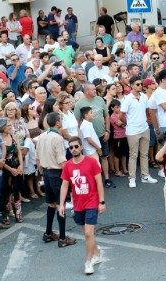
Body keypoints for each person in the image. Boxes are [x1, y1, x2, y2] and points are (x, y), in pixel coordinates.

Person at [58, 136, 105, 275]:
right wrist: (61, 204)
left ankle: (88, 262)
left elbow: (99, 183)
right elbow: (65, 185)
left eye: (76, 146)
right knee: (87, 235)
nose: (73, 149)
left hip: (92, 201)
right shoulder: (67, 165)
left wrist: (101, 202)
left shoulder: (91, 162)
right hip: (78, 204)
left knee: (88, 233)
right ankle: (96, 254)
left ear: (81, 147)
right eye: (71, 147)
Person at [36, 112, 77, 248]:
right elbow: (61, 161)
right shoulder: (57, 138)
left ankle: (48, 233)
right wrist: (70, 175)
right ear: (58, 123)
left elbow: (38, 159)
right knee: (61, 205)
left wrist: (43, 173)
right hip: (57, 174)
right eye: (61, 120)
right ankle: (63, 238)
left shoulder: (41, 136)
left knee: (51, 204)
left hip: (47, 173)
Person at [74, 83, 115, 189]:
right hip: (89, 139)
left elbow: (106, 115)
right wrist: (80, 138)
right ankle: (93, 183)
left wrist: (107, 131)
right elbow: (78, 122)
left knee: (104, 156)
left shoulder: (100, 100)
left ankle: (106, 179)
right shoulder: (79, 104)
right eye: (92, 89)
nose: (95, 91)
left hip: (102, 134)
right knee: (91, 161)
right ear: (86, 91)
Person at [120, 76, 158, 188]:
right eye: (137, 84)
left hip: (144, 129)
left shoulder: (144, 97)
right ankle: (132, 178)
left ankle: (145, 176)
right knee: (133, 155)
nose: (140, 86)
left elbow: (147, 111)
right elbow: (121, 115)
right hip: (132, 131)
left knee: (144, 154)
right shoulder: (127, 99)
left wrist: (145, 121)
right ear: (131, 85)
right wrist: (129, 124)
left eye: (141, 84)